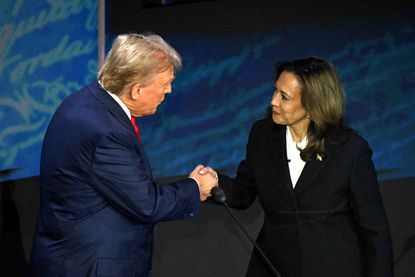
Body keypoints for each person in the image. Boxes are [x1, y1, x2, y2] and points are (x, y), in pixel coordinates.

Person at [28, 33, 217, 277]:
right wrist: (195, 187)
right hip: (91, 265)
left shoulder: (85, 101)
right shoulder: (106, 131)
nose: (168, 91)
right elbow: (146, 204)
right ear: (136, 90)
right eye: (165, 84)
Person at [202, 57, 393, 277]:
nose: (273, 101)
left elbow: (375, 229)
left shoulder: (350, 150)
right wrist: (216, 182)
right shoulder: (262, 135)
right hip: (273, 267)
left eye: (284, 97)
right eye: (275, 91)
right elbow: (244, 192)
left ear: (312, 105)